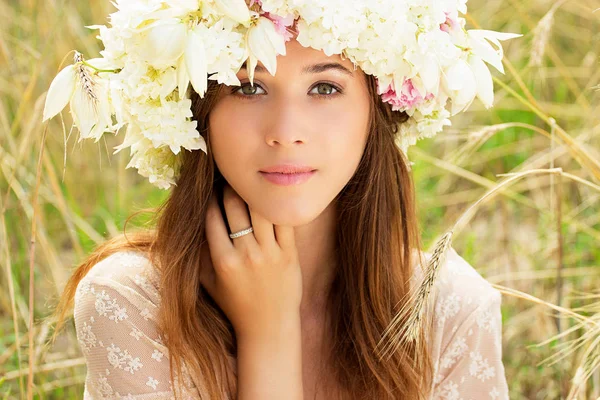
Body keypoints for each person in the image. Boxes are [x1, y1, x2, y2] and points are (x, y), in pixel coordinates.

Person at [47, 1, 519, 399]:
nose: (286, 133)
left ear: (379, 112)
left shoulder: (449, 310)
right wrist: (268, 336)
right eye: (249, 86)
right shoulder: (132, 301)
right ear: (198, 110)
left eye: (325, 87)